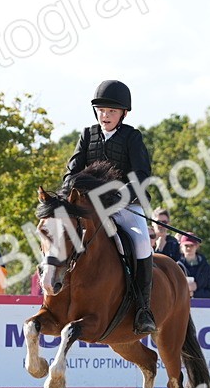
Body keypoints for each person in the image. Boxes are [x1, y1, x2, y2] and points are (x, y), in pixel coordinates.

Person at [62, 79, 157, 335]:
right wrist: (64, 198)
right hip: (91, 209)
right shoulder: (87, 135)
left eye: (111, 111)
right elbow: (72, 172)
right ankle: (57, 291)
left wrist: (120, 196)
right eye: (102, 110)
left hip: (125, 206)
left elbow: (141, 175)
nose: (105, 115)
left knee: (140, 243)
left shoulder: (132, 137)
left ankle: (143, 310)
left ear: (123, 113)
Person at [177, 233, 210, 299]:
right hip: (180, 306)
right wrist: (185, 289)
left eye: (192, 245)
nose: (189, 248)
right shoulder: (176, 267)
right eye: (186, 245)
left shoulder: (206, 268)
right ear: (181, 246)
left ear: (197, 246)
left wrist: (195, 293)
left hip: (202, 307)